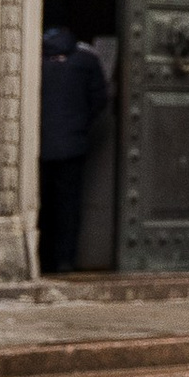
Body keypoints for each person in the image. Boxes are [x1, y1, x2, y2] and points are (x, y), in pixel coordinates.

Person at [38, 20, 110, 276]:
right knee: (68, 206)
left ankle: (41, 259)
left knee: (42, 204)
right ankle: (65, 261)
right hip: (73, 144)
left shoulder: (35, 59)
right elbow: (100, 98)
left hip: (40, 145)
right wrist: (80, 124)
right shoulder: (86, 60)